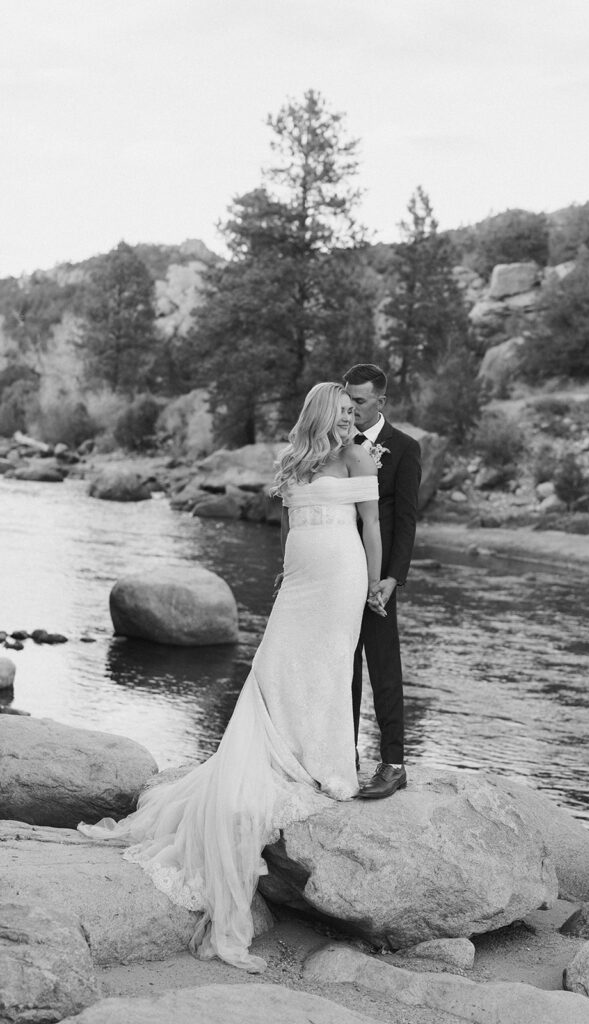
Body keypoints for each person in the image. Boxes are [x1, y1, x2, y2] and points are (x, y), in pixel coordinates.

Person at [78, 382, 382, 972]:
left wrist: (373, 583)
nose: (352, 419)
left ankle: (324, 761)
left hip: (343, 579)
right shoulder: (296, 458)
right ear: (322, 412)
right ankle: (282, 752)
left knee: (327, 664)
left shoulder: (357, 456)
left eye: (355, 412)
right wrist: (285, 577)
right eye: (343, 411)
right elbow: (295, 529)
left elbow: (370, 525)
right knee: (279, 664)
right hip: (300, 582)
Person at [343, 364, 422, 799]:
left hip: (378, 580)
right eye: (347, 400)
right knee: (343, 666)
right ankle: (344, 755)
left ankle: (393, 763)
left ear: (380, 402)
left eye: (359, 401)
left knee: (384, 668)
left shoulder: (405, 448)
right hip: (339, 571)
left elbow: (406, 521)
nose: (351, 408)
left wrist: (392, 578)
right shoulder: (335, 444)